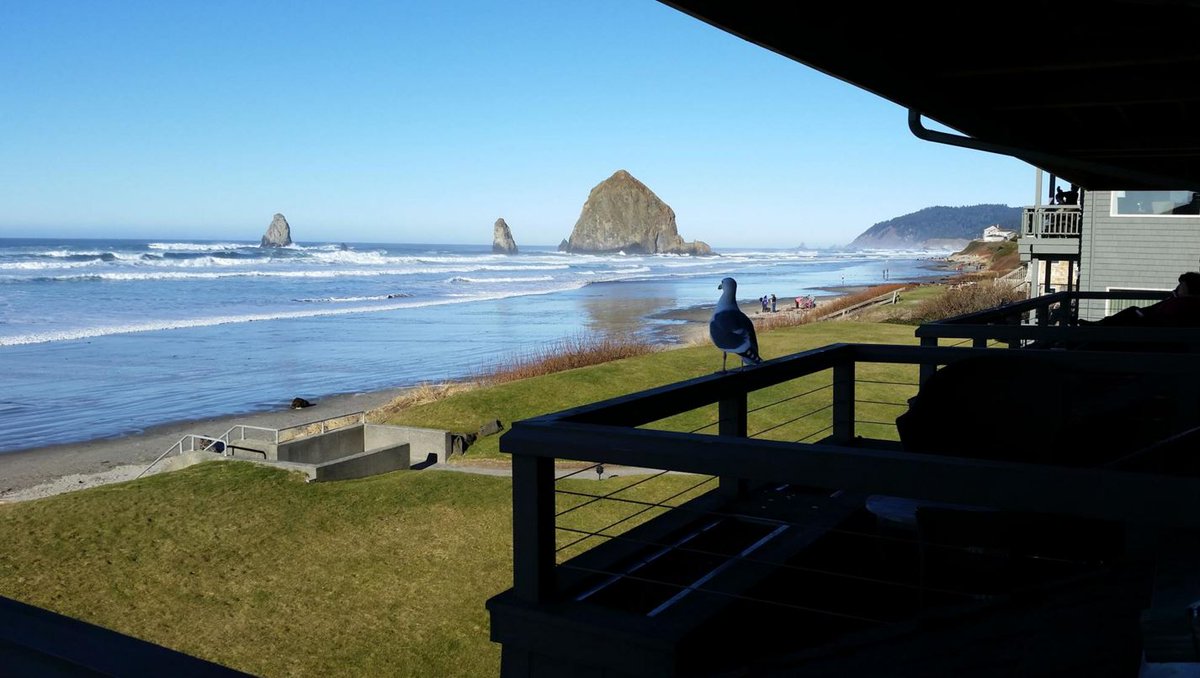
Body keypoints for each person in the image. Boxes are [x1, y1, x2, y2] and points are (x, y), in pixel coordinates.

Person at [1082, 272, 1200, 327]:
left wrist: (1144, 316)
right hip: (1155, 327)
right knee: (1132, 313)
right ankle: (1100, 324)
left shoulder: (1183, 304)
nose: (1179, 289)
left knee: (1131, 313)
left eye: (1182, 286)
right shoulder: (1182, 301)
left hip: (1154, 329)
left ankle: (1100, 325)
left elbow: (1164, 316)